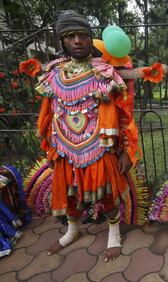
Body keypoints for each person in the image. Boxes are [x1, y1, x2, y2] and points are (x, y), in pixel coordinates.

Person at [36, 10, 138, 261]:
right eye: (71, 37)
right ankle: (72, 230)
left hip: (98, 147)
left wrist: (126, 149)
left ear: (90, 40)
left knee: (106, 193)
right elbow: (48, 113)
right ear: (63, 42)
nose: (78, 41)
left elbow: (124, 114)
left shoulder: (105, 73)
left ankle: (114, 231)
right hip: (64, 147)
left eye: (82, 36)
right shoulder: (53, 74)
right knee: (69, 194)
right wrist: (49, 145)